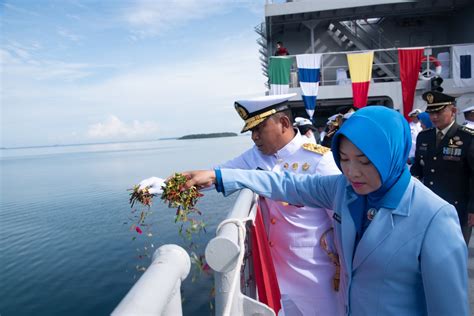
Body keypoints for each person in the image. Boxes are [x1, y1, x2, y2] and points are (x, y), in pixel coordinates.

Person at [182, 106, 469, 316]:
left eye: (365, 161)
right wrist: (219, 176)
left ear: (392, 154)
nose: (352, 172)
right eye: (343, 159)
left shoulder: (434, 217)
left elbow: (449, 309)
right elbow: (286, 184)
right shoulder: (343, 190)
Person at [142, 94, 344, 316]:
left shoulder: (319, 160)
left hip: (318, 277)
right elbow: (214, 175)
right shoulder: (255, 157)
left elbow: (342, 218)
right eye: (251, 131)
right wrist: (165, 186)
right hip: (277, 276)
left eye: (259, 129)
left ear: (284, 123)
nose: (254, 137)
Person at [411, 91, 474, 245]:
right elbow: (417, 170)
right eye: (431, 112)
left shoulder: (468, 138)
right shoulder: (424, 137)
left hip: (458, 208)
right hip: (429, 207)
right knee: (431, 251)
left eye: (439, 112)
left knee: (455, 253)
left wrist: (473, 208)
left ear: (453, 111)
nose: (433, 117)